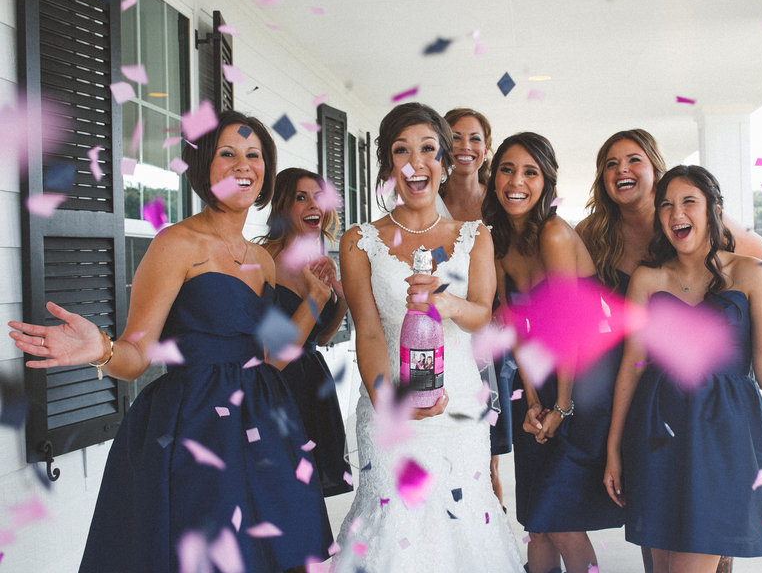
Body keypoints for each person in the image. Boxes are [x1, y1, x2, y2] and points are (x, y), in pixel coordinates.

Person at [8, 111, 332, 572]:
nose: (244, 165)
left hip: (265, 422)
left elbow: (273, 358)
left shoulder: (262, 260)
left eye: (254, 155)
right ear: (203, 165)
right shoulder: (175, 244)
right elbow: (137, 356)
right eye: (228, 154)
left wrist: (315, 301)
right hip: (198, 423)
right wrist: (100, 349)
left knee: (287, 553)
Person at [603, 165, 762, 573]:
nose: (677, 214)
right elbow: (633, 365)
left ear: (714, 209)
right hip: (658, 435)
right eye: (666, 206)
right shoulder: (647, 279)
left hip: (724, 440)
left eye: (689, 201)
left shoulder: (751, 273)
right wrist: (614, 448)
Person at [575, 129, 762, 573]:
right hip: (647, 398)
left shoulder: (694, 214)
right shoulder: (593, 234)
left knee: (708, 538)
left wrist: (741, 311)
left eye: (633, 160)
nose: (621, 170)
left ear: (654, 169)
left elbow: (758, 263)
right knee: (660, 544)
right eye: (610, 163)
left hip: (711, 407)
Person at [333, 102, 523, 572]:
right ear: (388, 165)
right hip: (388, 401)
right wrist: (389, 402)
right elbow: (370, 331)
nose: (415, 162)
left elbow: (481, 314)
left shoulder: (475, 236)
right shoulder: (360, 241)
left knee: (463, 517)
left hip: (457, 402)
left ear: (443, 162)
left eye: (428, 150)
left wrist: (447, 302)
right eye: (402, 150)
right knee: (393, 519)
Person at [482, 132, 623, 573]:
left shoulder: (556, 234)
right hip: (541, 377)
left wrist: (562, 405)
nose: (516, 182)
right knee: (538, 521)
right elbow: (517, 331)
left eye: (530, 172)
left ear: (547, 181)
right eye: (506, 169)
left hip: (587, 376)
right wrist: (534, 401)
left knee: (559, 519)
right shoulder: (498, 241)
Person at [258, 167, 353, 497]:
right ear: (283, 206)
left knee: (311, 495)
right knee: (281, 489)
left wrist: (340, 300)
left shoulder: (319, 260)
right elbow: (273, 352)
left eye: (318, 197)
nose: (314, 205)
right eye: (301, 198)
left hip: (313, 381)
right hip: (277, 386)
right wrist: (315, 299)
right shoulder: (264, 262)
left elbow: (321, 338)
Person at [442, 107, 514, 509]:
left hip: (489, 336)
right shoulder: (428, 199)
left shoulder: (501, 203)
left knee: (486, 460)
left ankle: (491, 539)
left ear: (486, 148)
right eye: (455, 137)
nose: (464, 147)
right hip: (439, 330)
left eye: (474, 139)